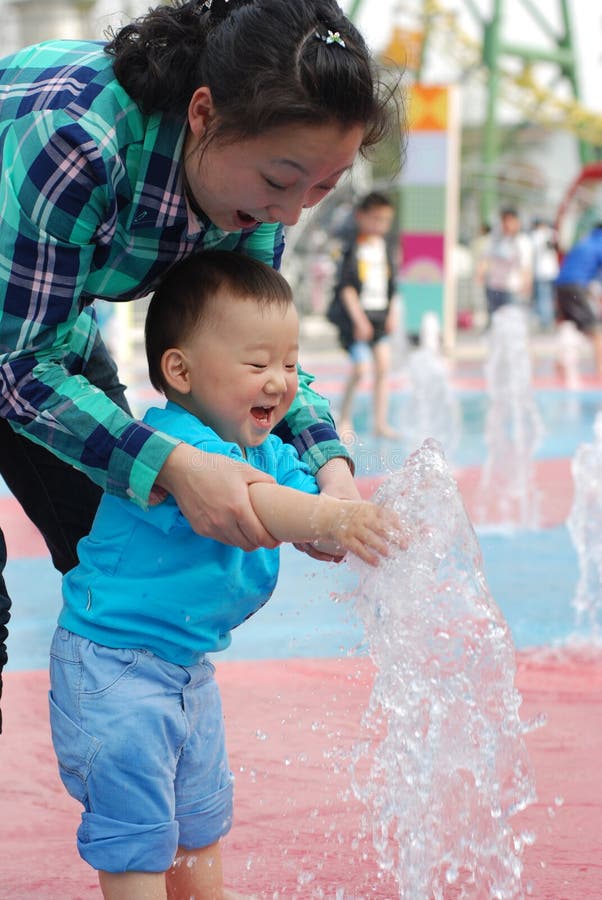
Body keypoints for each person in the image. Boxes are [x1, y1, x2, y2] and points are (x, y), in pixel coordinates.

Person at [0, 0, 400, 729]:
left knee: (125, 556)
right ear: (204, 114)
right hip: (21, 339)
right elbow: (17, 369)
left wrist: (331, 473)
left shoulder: (246, 203)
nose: (290, 216)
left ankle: (137, 762)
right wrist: (177, 466)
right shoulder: (78, 141)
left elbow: (257, 350)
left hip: (42, 327)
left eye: (321, 188)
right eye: (280, 181)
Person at [48, 250, 401, 900]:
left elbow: (305, 503)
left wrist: (350, 519)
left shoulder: (263, 449)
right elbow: (265, 505)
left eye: (291, 364)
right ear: (179, 370)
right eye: (258, 363)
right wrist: (330, 519)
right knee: (137, 832)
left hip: (186, 670)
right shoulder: (178, 445)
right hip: (111, 671)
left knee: (198, 820)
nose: (281, 381)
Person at [327, 191, 399, 439]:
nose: (381, 225)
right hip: (357, 319)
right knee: (360, 369)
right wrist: (359, 319)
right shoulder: (352, 248)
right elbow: (346, 287)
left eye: (385, 220)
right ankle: (344, 419)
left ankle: (380, 423)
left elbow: (393, 285)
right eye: (376, 219)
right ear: (361, 217)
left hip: (380, 315)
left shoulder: (385, 246)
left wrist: (393, 313)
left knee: (383, 367)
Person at [555, 222, 602, 375]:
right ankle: (601, 371)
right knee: (596, 331)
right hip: (575, 286)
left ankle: (560, 369)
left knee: (567, 327)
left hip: (560, 285)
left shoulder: (585, 241)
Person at [476, 207, 532, 324]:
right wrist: (480, 273)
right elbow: (485, 258)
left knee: (511, 322)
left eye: (509, 221)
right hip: (493, 286)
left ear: (516, 222)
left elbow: (526, 266)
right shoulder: (494, 239)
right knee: (494, 321)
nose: (506, 225)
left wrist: (526, 284)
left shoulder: (522, 242)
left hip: (512, 289)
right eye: (504, 221)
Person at [529, 218, 559, 331]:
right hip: (552, 271)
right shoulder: (552, 233)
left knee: (543, 297)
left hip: (541, 272)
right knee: (549, 297)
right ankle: (549, 319)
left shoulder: (536, 235)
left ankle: (546, 322)